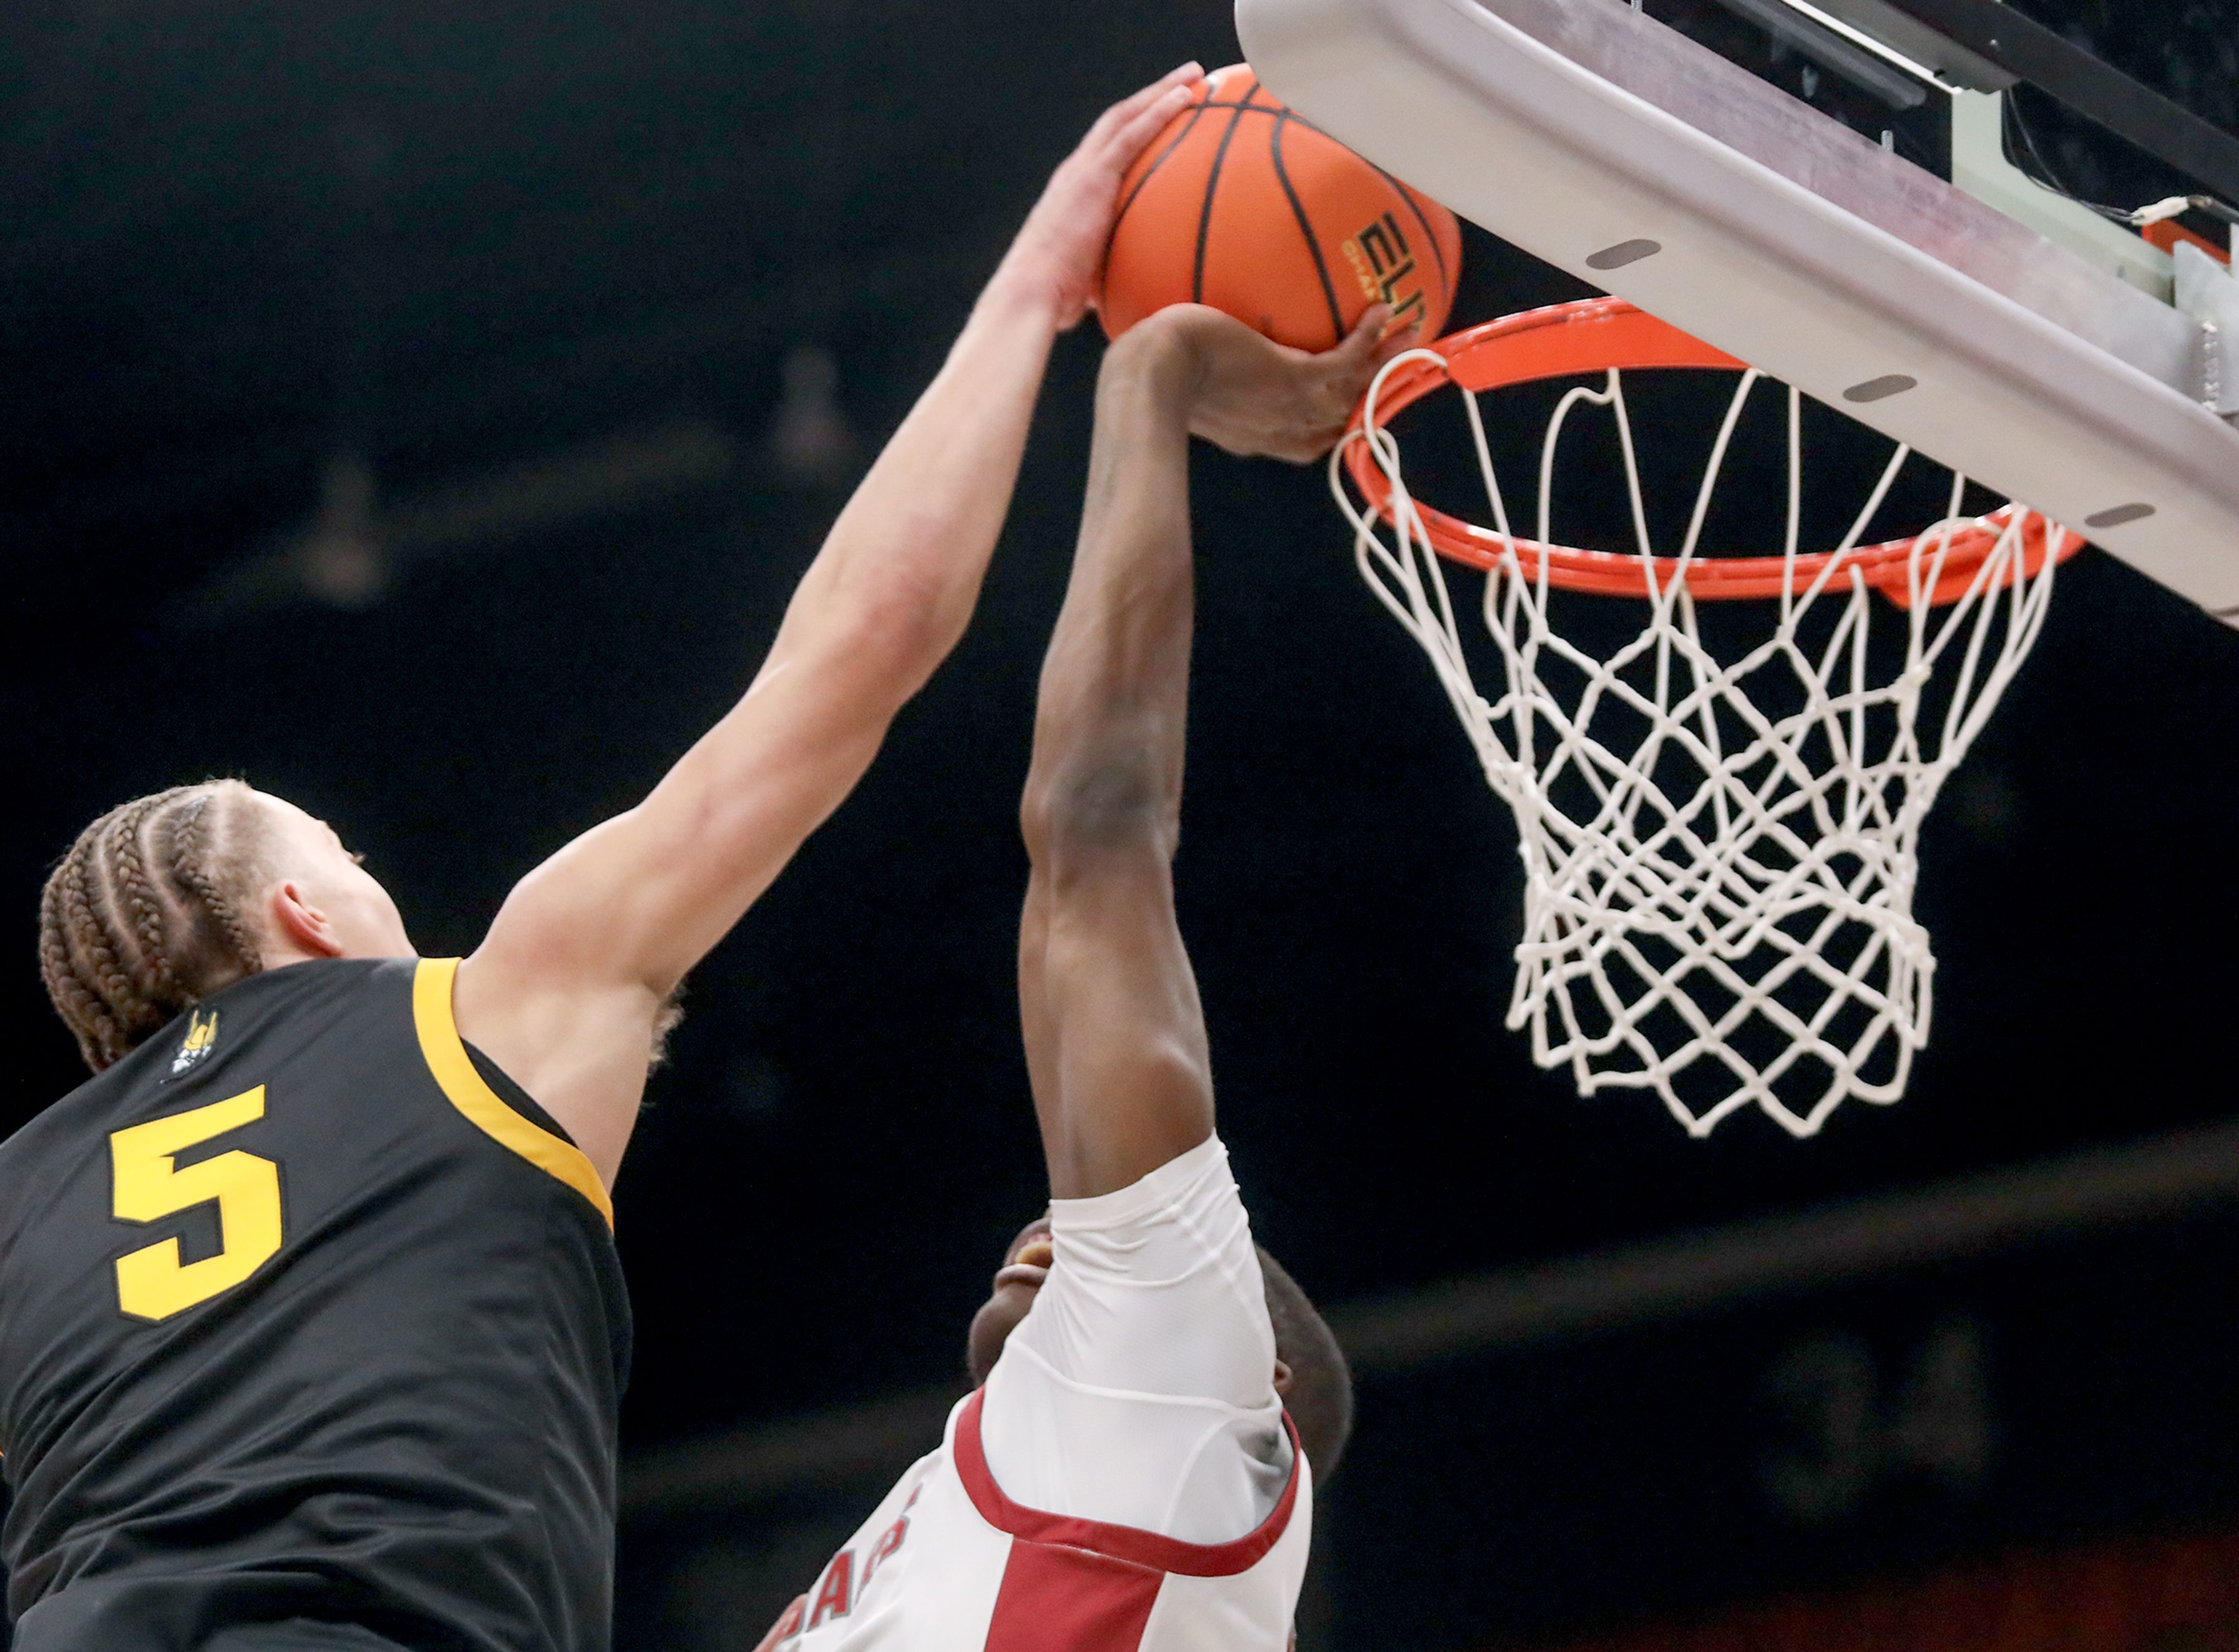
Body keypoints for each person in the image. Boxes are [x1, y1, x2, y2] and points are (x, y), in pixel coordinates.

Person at [1, 65, 1206, 1652]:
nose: (375, 881)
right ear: (302, 907)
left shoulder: (22, 1202)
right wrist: (1037, 290)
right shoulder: (476, 1009)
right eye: (345, 851)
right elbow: (856, 654)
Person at [751, 298, 1408, 1652]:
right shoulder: (934, 1530)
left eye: (1121, 1248)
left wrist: (1154, 380)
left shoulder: (1174, 1388)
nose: (1045, 1231)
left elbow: (1099, 827)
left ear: (1248, 1374)